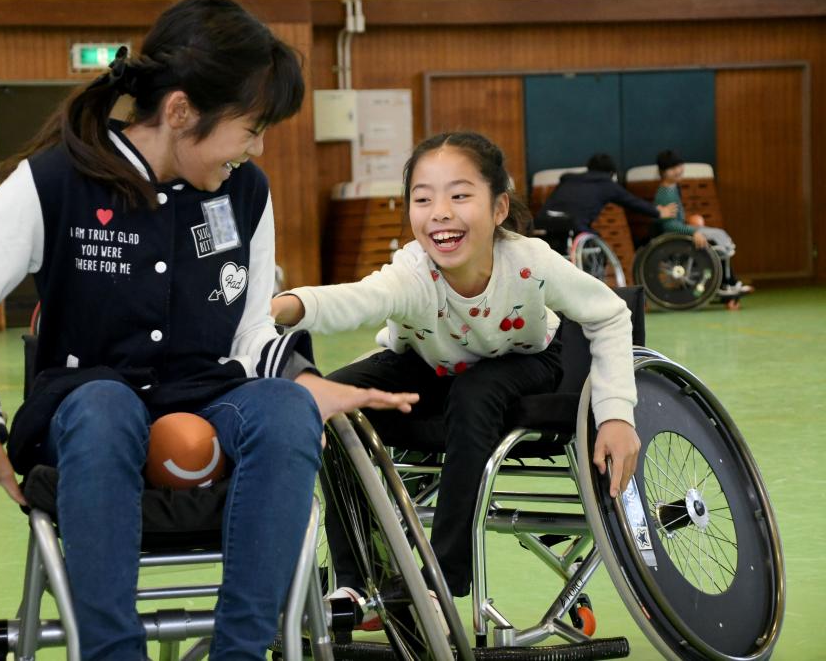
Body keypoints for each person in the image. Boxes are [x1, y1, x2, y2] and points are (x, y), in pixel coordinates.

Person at [0, 0, 417, 659]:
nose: (257, 149)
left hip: (210, 396)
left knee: (288, 409)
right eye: (251, 128)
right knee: (105, 406)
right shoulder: (59, 179)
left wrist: (306, 380)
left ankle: (242, 650)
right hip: (86, 410)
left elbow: (251, 333)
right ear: (179, 112)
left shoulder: (245, 193)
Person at [273, 132, 641, 605]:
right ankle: (357, 579)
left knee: (476, 393)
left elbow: (609, 314)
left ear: (499, 208)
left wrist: (616, 415)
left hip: (524, 360)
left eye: (460, 195)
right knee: (328, 398)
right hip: (429, 364)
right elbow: (358, 298)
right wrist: (283, 307)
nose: (440, 212)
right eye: (422, 199)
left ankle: (443, 577)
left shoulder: (530, 262)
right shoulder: (412, 271)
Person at [654, 149, 752, 309]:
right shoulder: (665, 193)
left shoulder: (672, 188)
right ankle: (727, 283)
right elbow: (669, 225)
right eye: (672, 168)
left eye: (679, 166)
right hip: (675, 237)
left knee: (718, 234)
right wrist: (694, 232)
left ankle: (729, 282)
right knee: (714, 239)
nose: (678, 170)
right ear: (663, 172)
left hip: (681, 231)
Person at [536, 152, 677, 249]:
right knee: (597, 246)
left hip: (544, 221)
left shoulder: (568, 179)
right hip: (574, 225)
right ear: (611, 173)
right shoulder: (606, 184)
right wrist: (658, 212)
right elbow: (633, 202)